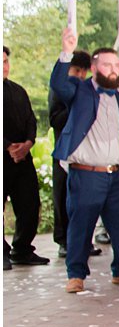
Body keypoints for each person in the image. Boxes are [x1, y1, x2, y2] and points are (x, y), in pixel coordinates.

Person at [51, 28, 119, 292]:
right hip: (87, 173)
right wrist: (66, 51)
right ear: (95, 68)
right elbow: (59, 85)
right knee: (81, 225)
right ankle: (76, 275)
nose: (112, 69)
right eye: (106, 64)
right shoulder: (80, 91)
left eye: (116, 65)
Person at [4, 46, 48, 269]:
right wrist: (8, 146)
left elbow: (31, 120)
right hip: (4, 156)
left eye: (5, 61)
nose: (4, 67)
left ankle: (22, 250)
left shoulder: (18, 90)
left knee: (30, 204)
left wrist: (28, 143)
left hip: (23, 158)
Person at [49, 50, 94, 256]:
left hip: (85, 153)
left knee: (84, 199)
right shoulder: (59, 90)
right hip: (64, 152)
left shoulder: (88, 90)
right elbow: (54, 120)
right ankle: (64, 242)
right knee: (62, 196)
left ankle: (84, 241)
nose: (80, 76)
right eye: (77, 70)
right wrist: (76, 107)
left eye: (84, 72)